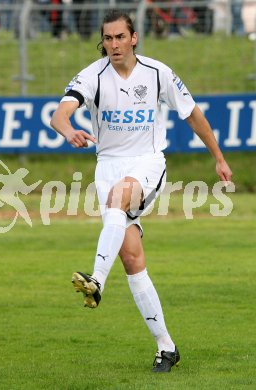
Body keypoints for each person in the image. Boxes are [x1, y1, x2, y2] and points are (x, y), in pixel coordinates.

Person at [50, 9, 232, 373]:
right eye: (108, 38)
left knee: (120, 196)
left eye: (120, 37)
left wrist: (219, 158)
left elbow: (193, 114)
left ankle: (96, 281)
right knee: (132, 260)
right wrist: (67, 130)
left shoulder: (158, 73)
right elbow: (60, 113)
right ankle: (166, 346)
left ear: (133, 38)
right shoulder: (93, 75)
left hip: (147, 163)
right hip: (107, 166)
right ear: (102, 41)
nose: (114, 44)